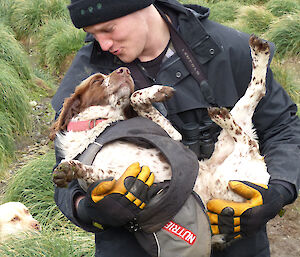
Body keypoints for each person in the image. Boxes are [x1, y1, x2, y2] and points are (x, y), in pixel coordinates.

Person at [51, 0, 300, 256]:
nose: (103, 45)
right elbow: (64, 167)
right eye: (92, 34)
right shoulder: (88, 75)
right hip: (136, 244)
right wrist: (88, 208)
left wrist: (278, 191)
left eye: (109, 29)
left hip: (236, 238)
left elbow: (283, 127)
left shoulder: (229, 48)